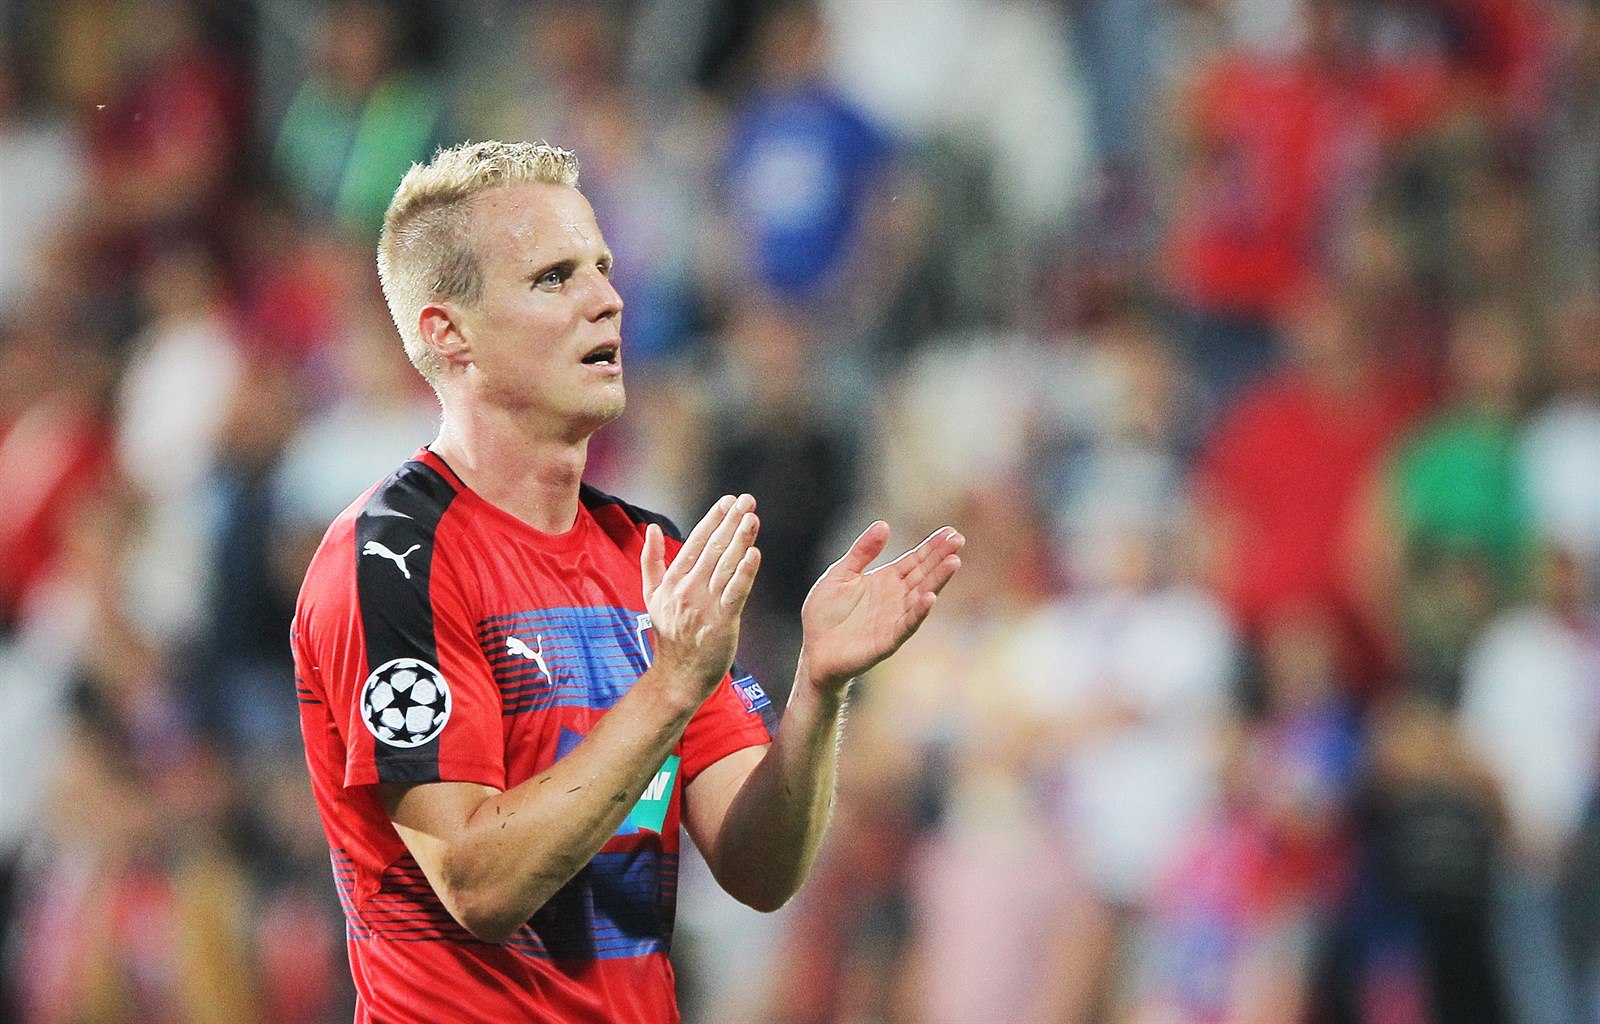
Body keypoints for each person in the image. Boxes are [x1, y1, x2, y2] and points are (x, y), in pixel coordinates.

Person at [290, 139, 963, 1023]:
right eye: (553, 278)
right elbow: (479, 884)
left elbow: (760, 870)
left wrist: (819, 690)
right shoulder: (391, 561)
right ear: (449, 333)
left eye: (602, 269)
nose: (606, 300)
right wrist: (670, 686)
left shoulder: (646, 553)